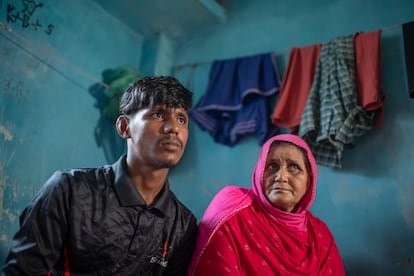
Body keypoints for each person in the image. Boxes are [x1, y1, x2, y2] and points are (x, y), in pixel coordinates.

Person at [1, 76, 198, 275]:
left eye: (181, 119)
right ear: (124, 127)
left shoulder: (183, 225)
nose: (173, 128)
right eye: (158, 114)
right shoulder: (69, 190)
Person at [188, 134, 345, 276]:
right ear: (259, 173)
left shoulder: (319, 234)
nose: (281, 177)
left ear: (309, 181)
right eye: (272, 166)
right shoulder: (232, 213)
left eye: (294, 167)